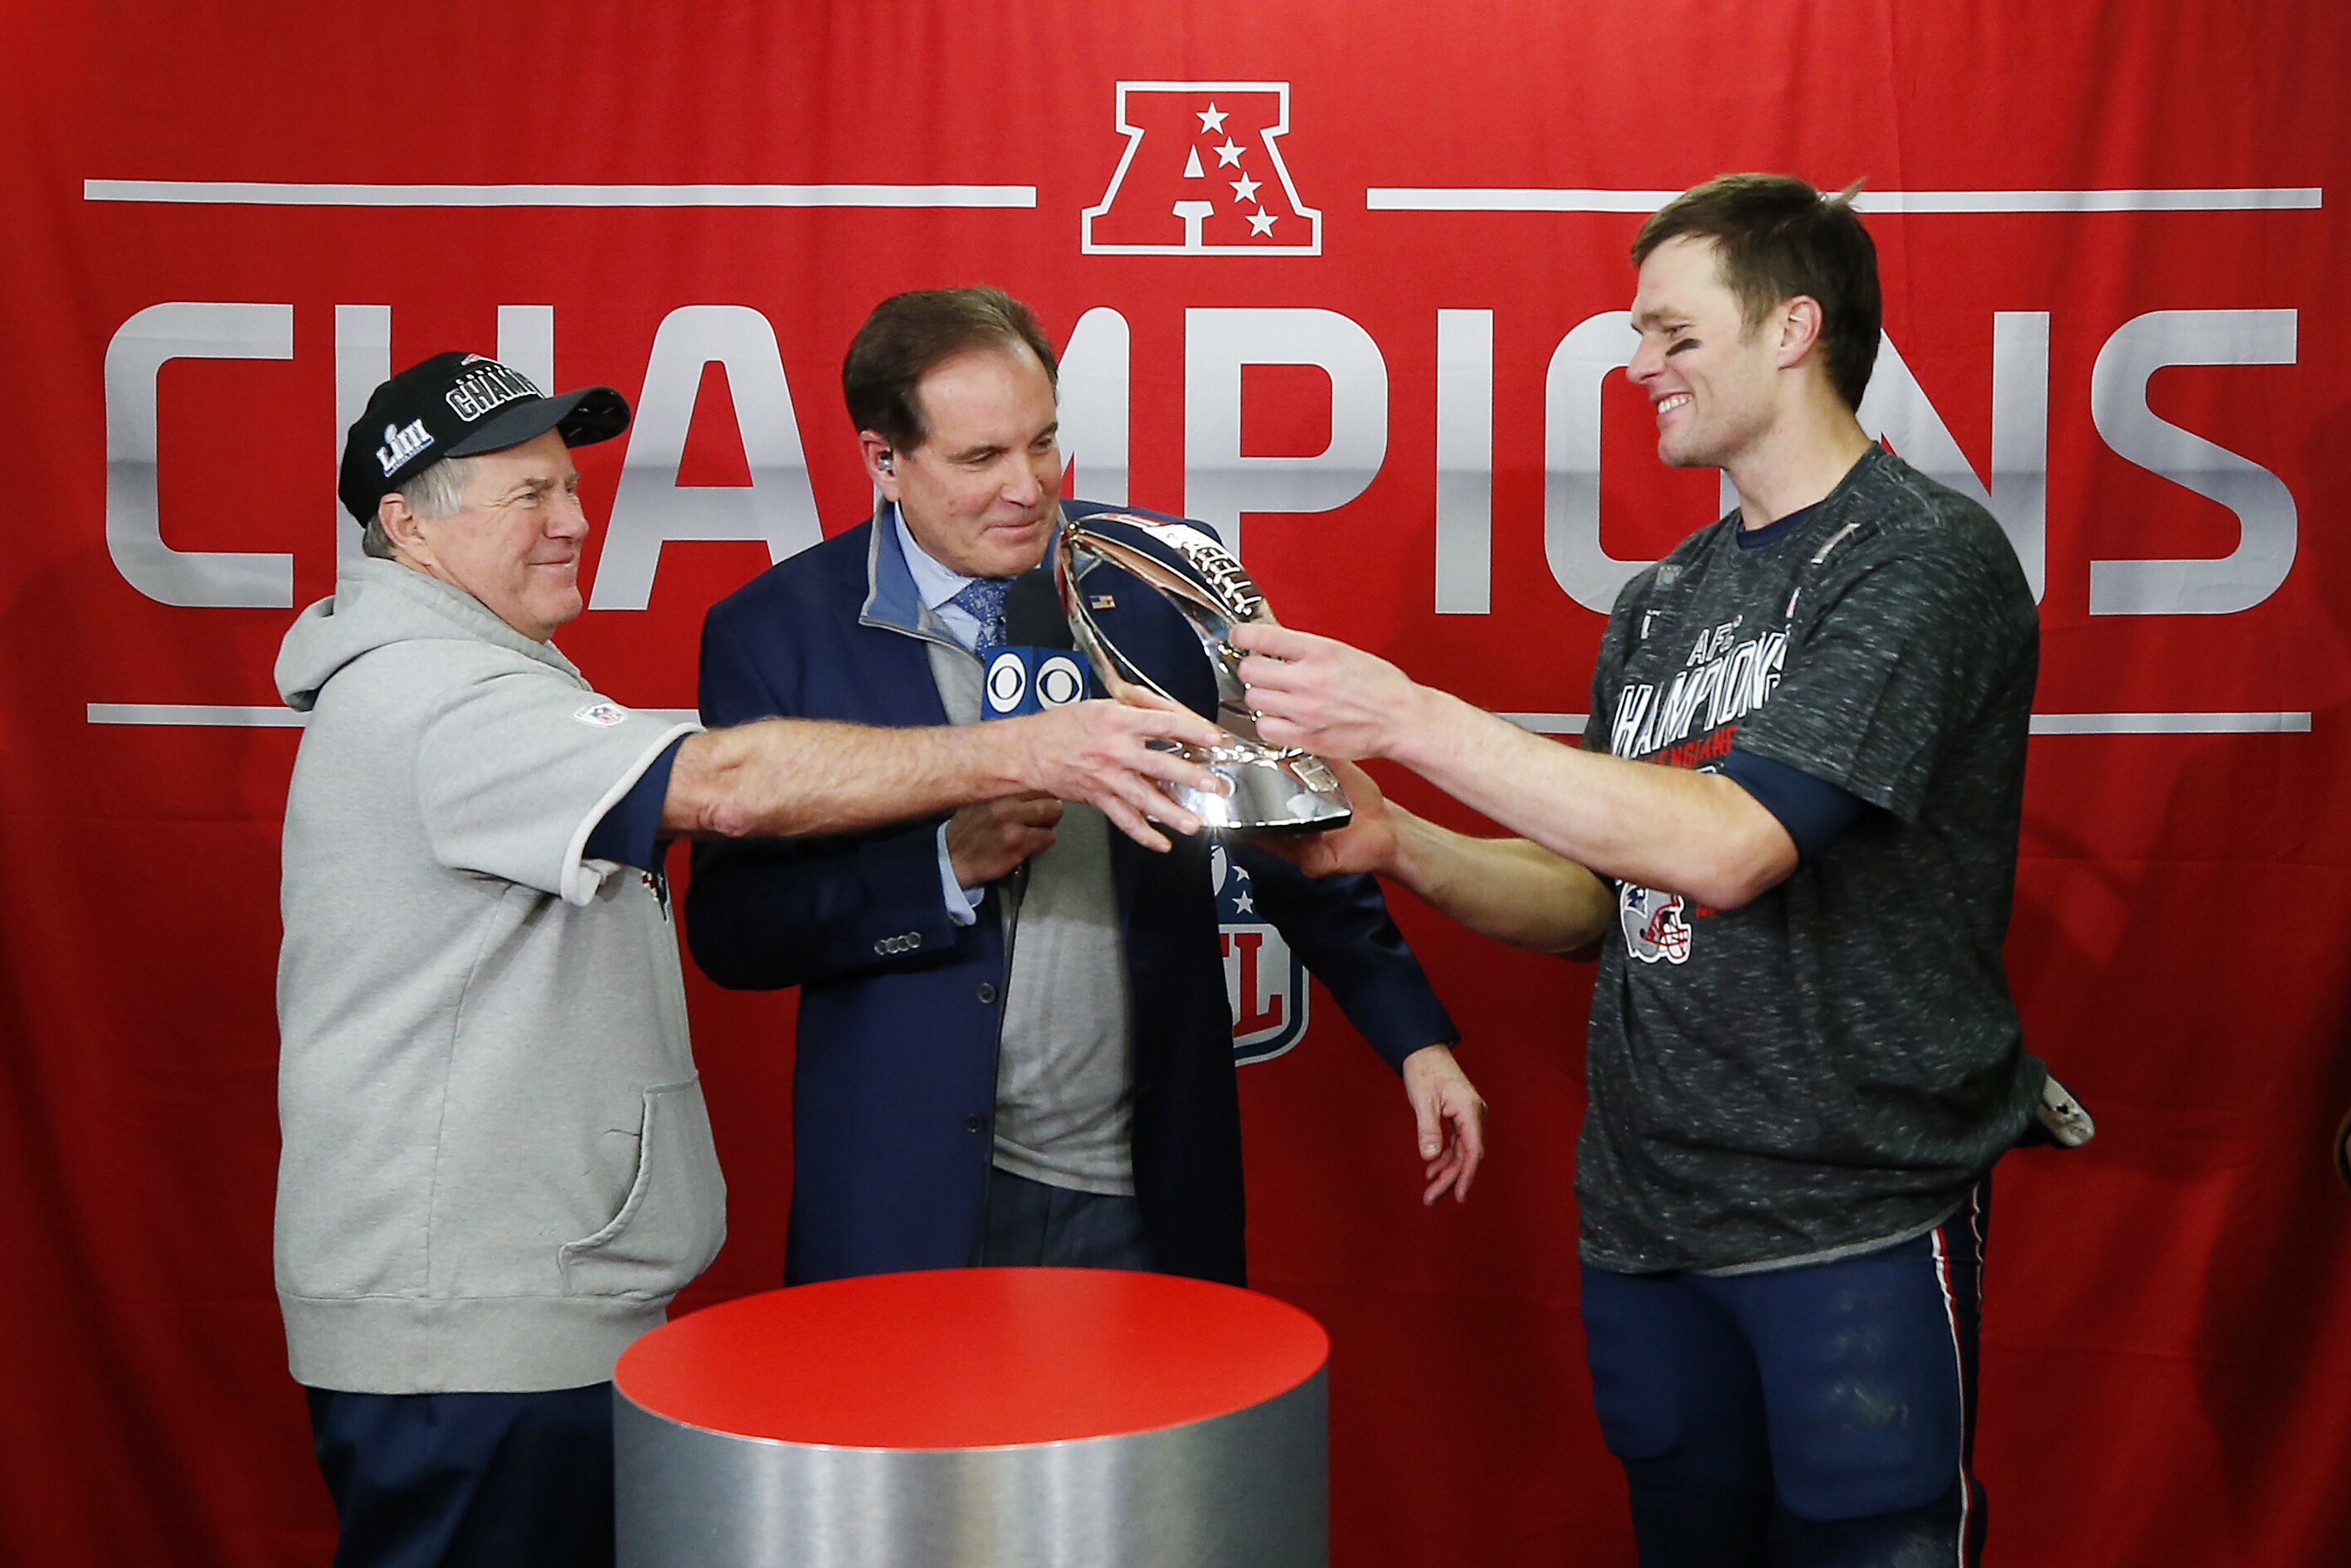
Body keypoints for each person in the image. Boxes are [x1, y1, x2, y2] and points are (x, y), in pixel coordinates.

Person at [276, 350, 1228, 1568]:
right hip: (461, 1334)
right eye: (528, 496)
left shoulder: (483, 674)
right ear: (407, 526)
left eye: (570, 485)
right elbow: (724, 785)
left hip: (507, 1315)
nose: (574, 521)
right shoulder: (435, 696)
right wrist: (1028, 750)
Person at [1234, 177, 2049, 1565]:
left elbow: (1729, 849)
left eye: (1671, 334)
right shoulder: (1662, 600)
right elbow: (1601, 899)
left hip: (1843, 1213)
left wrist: (1411, 717)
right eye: (1633, 336)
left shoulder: (1916, 559)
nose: (1635, 367)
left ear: (1792, 327)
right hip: (1644, 1219)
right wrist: (1401, 842)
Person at [685, 286, 1484, 1287]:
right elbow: (735, 930)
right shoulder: (774, 629)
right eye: (979, 460)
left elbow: (1288, 831)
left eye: (1041, 443)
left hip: (1138, 1192)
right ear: (882, 460)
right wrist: (942, 867)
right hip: (907, 1201)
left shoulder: (1163, 581)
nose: (1027, 487)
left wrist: (1414, 1041)